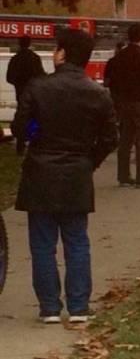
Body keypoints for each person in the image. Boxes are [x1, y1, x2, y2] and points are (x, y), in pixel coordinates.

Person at [13, 29, 118, 323]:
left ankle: (49, 307)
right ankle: (79, 306)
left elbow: (23, 128)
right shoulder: (98, 94)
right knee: (77, 241)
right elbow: (110, 138)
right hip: (76, 173)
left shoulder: (37, 88)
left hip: (40, 172)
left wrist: (39, 134)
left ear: (62, 54)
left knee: (43, 243)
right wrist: (89, 160)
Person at [107, 24, 140, 188]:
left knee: (125, 138)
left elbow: (110, 79)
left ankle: (123, 176)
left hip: (124, 102)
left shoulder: (118, 57)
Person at [5, 36, 46, 155]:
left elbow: (9, 77)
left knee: (21, 117)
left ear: (19, 44)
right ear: (29, 43)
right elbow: (41, 75)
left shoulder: (15, 59)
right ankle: (35, 141)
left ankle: (20, 144)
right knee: (35, 116)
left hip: (20, 92)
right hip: (34, 92)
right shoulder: (35, 58)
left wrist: (18, 83)